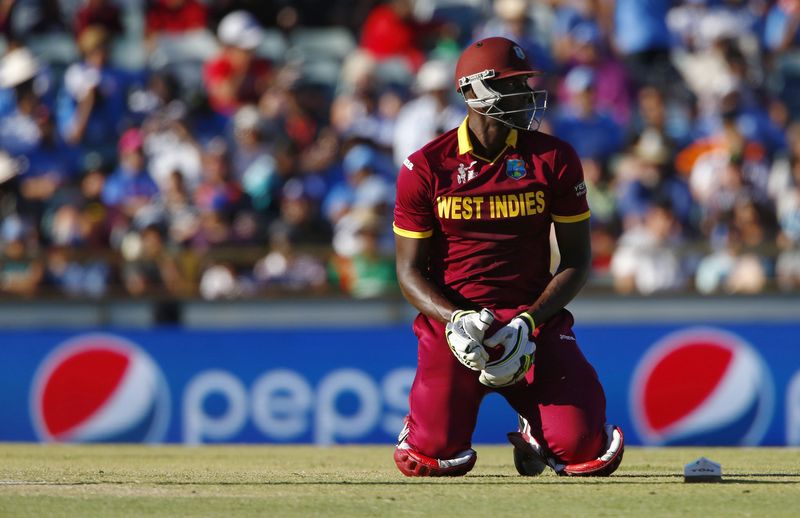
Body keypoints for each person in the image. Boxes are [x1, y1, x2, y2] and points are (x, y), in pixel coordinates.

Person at [391, 37, 623, 477]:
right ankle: (423, 425)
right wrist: (454, 319)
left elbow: (576, 259)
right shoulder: (425, 167)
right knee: (432, 457)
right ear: (472, 92)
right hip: (456, 325)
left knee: (585, 452)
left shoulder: (554, 158)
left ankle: (537, 431)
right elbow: (407, 270)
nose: (525, 95)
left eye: (524, 84)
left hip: (530, 320)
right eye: (512, 85)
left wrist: (529, 321)